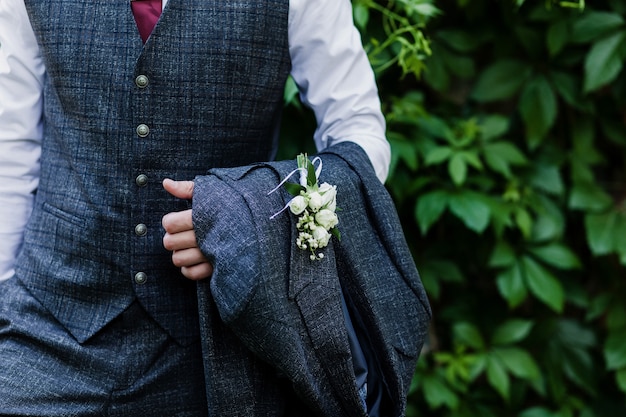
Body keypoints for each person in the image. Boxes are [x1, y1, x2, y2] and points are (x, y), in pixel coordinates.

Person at [0, 0, 396, 415]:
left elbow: (359, 141)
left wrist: (247, 219)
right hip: (45, 322)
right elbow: (10, 147)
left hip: (222, 343)